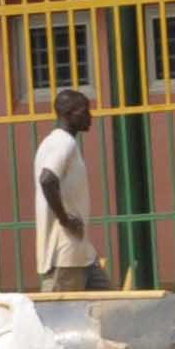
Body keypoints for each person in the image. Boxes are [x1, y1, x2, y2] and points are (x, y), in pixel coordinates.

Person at [33, 89, 104, 290]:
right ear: (68, 114)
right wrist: (65, 220)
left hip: (80, 253)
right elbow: (47, 179)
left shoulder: (64, 142)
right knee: (61, 318)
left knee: (108, 307)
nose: (90, 116)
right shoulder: (62, 142)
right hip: (64, 254)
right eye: (84, 111)